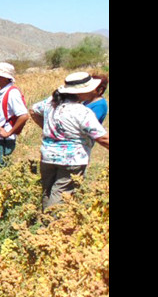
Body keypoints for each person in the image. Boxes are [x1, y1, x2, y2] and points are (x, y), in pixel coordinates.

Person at [30, 72, 109, 210]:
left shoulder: (50, 103)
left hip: (48, 157)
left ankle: (41, 224)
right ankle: (50, 227)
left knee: (47, 193)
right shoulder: (81, 111)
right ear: (81, 92)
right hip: (71, 161)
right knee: (61, 198)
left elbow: (33, 110)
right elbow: (102, 137)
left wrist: (50, 130)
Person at [0, 62, 29, 165]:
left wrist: (8, 133)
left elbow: (24, 116)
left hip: (2, 141)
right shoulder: (5, 92)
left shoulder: (12, 93)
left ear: (4, 78)